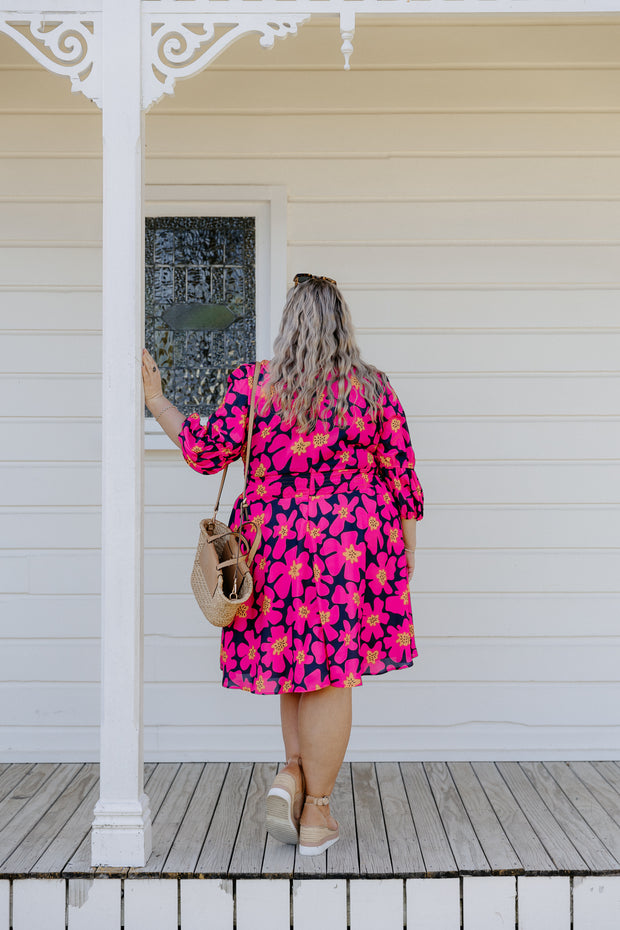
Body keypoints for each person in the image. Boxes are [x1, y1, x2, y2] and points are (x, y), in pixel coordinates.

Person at [141, 272, 424, 856]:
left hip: (275, 546)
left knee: (293, 662)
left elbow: (202, 451)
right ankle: (316, 812)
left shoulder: (254, 386)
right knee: (333, 674)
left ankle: (292, 773)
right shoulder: (373, 390)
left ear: (289, 325)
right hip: (351, 547)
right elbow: (403, 484)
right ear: (343, 325)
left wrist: (158, 401)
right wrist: (404, 558)